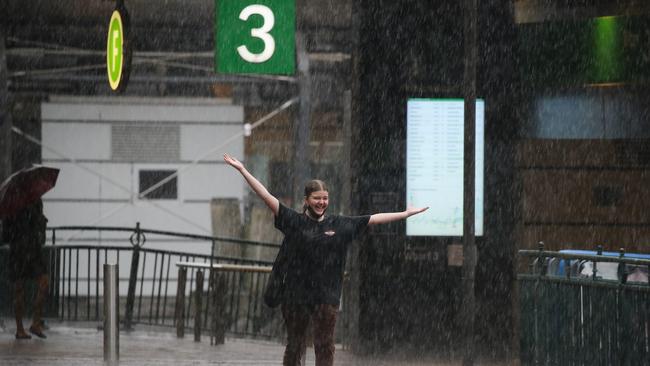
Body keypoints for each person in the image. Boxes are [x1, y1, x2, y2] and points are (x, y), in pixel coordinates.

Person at [224, 153, 427, 366]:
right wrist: (242, 170)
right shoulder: (294, 221)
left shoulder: (338, 224)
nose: (321, 202)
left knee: (325, 345)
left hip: (326, 296)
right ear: (306, 200)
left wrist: (405, 214)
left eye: (325, 198)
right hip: (296, 295)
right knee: (295, 344)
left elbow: (372, 219)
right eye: (317, 198)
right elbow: (266, 196)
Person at [2, 198, 49, 339]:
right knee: (43, 283)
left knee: (19, 289)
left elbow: (5, 235)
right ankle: (34, 322)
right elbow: (39, 227)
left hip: (18, 250)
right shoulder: (35, 199)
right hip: (32, 249)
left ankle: (21, 328)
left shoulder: (10, 203)